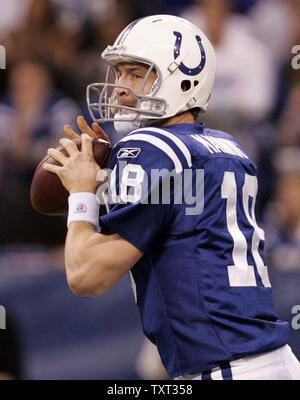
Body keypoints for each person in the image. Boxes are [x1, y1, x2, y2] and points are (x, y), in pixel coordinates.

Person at [43, 15, 300, 380]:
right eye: (119, 74)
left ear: (182, 80)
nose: (120, 88)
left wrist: (82, 193)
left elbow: (86, 275)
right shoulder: (228, 147)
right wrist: (105, 183)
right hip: (272, 362)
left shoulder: (149, 148)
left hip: (225, 368)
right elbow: (175, 214)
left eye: (136, 74)